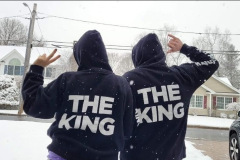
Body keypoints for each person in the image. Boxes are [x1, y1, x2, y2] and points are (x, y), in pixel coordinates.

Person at [22, 30, 133, 160]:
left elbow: (35, 106)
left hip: (63, 154)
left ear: (80, 55)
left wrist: (36, 69)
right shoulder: (121, 85)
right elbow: (127, 129)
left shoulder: (67, 80)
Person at [120, 33, 219, 160]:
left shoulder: (128, 80)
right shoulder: (181, 76)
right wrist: (184, 48)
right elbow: (212, 62)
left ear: (137, 57)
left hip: (136, 155)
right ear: (161, 55)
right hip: (172, 156)